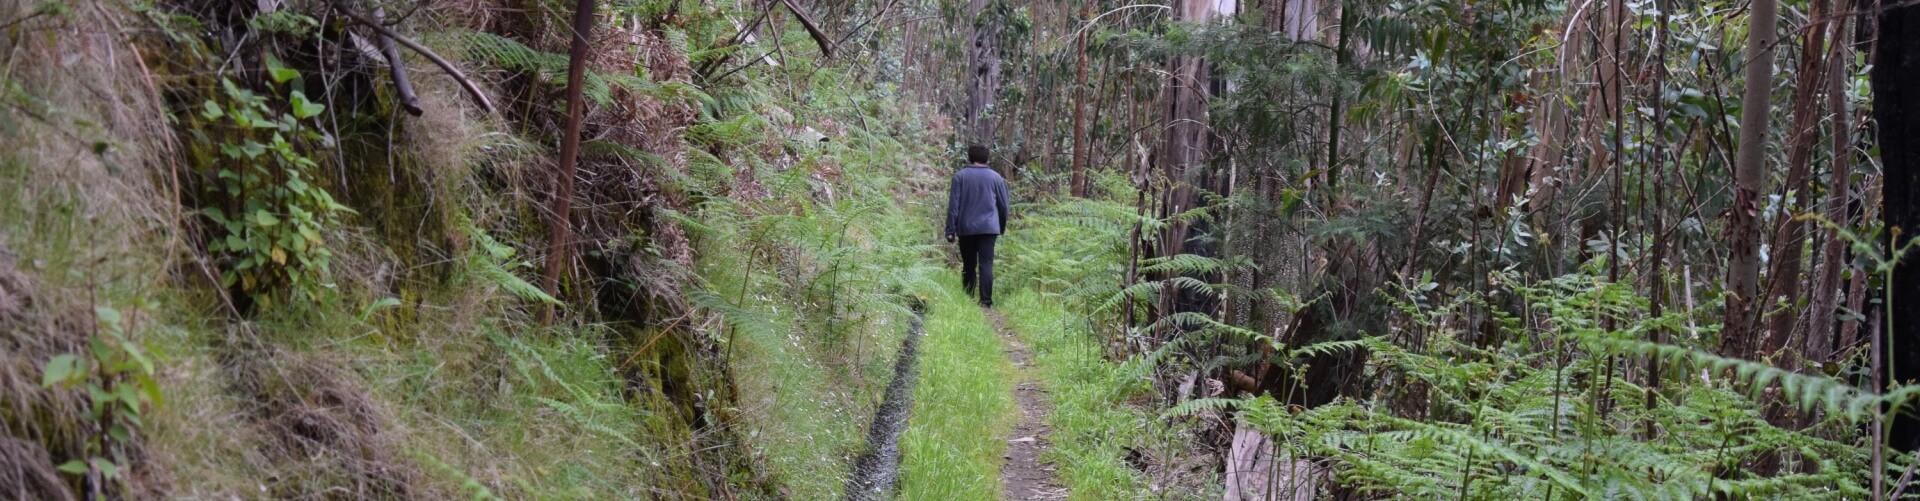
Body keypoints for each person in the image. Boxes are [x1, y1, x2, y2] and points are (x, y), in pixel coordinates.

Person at [944, 145, 1011, 307]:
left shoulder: (960, 177)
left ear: (969, 157)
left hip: (966, 228)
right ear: (987, 159)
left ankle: (967, 298)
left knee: (968, 264)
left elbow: (954, 206)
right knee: (986, 263)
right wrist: (1000, 226)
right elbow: (1004, 207)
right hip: (989, 228)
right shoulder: (996, 178)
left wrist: (950, 230)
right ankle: (986, 302)